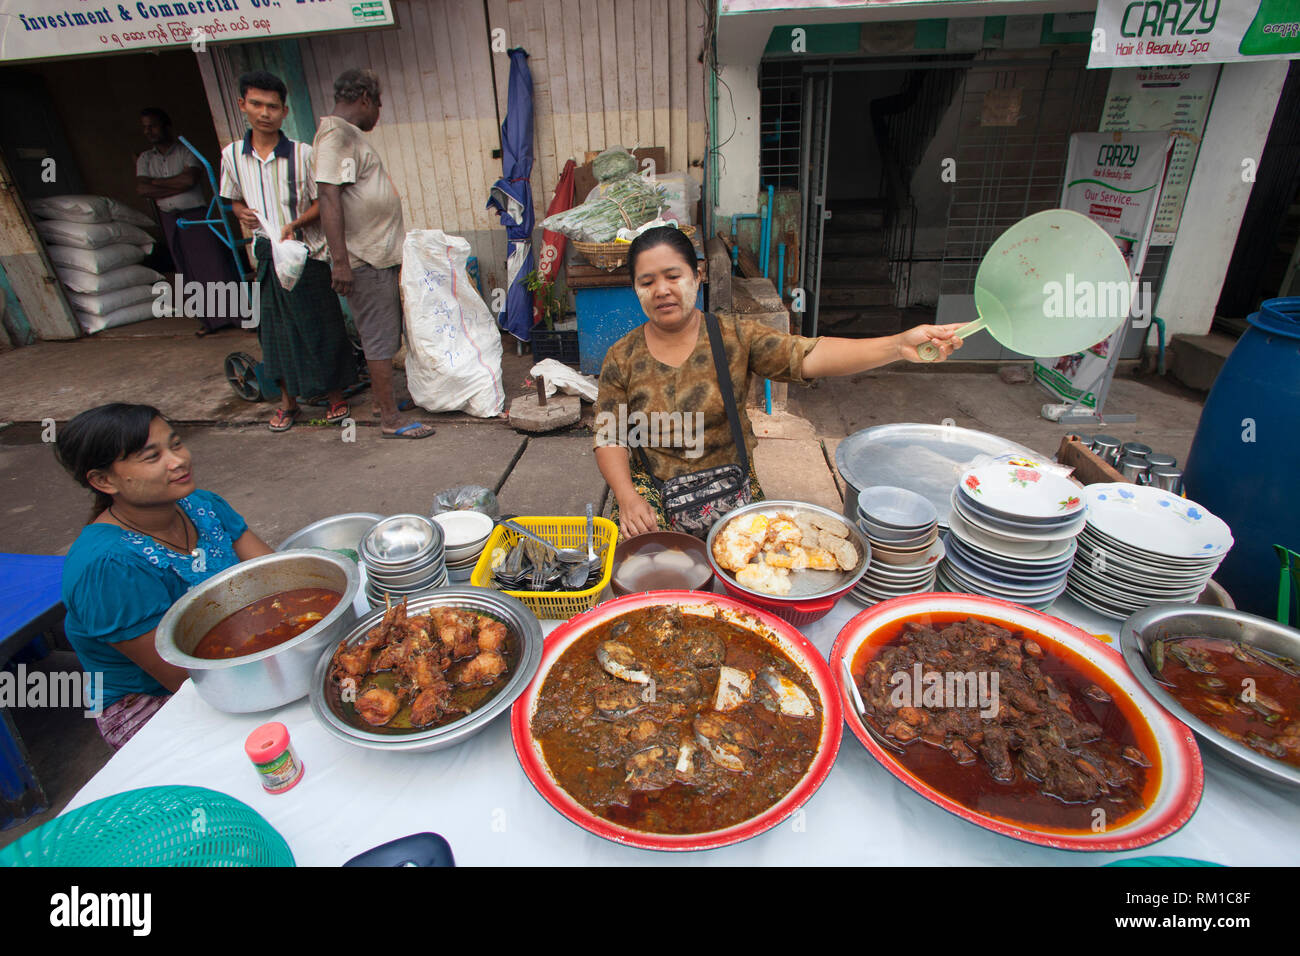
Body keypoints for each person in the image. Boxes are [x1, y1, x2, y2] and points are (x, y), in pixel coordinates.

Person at [594, 226, 966, 539]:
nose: (662, 289)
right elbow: (610, 436)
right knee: (641, 569)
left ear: (697, 276)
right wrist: (627, 497)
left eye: (673, 276)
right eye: (648, 281)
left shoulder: (734, 338)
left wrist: (897, 345)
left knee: (762, 571)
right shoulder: (621, 357)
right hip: (656, 492)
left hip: (732, 485)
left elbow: (809, 355)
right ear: (636, 290)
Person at [55, 403, 274, 749]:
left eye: (175, 444)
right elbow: (184, 679)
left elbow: (276, 578)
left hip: (236, 649)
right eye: (151, 456)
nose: (178, 460)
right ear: (103, 480)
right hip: (152, 700)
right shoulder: (109, 566)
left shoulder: (203, 505)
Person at [218, 70, 358, 432]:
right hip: (265, 256)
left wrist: (295, 224)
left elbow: (322, 203)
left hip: (305, 253)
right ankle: (287, 402)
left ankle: (335, 395)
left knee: (320, 326)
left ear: (284, 111)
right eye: (257, 104)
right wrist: (241, 214)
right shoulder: (232, 156)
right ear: (242, 106)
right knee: (275, 333)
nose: (265, 113)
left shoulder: (303, 154)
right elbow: (232, 199)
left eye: (273, 106)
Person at [314, 68, 433, 440]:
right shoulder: (336, 134)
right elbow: (328, 197)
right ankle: (389, 419)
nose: (377, 114)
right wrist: (340, 262)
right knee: (379, 339)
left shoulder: (346, 136)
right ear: (365, 97)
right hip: (363, 260)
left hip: (377, 257)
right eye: (378, 105)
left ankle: (390, 403)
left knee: (388, 335)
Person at [135, 107, 243, 336]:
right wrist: (170, 184)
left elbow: (190, 180)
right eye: (145, 127)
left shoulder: (186, 151)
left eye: (153, 125)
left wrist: (156, 184)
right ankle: (209, 321)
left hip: (196, 215)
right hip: (170, 219)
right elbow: (142, 188)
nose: (149, 131)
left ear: (166, 126)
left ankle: (238, 316)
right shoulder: (145, 158)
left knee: (214, 265)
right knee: (188, 270)